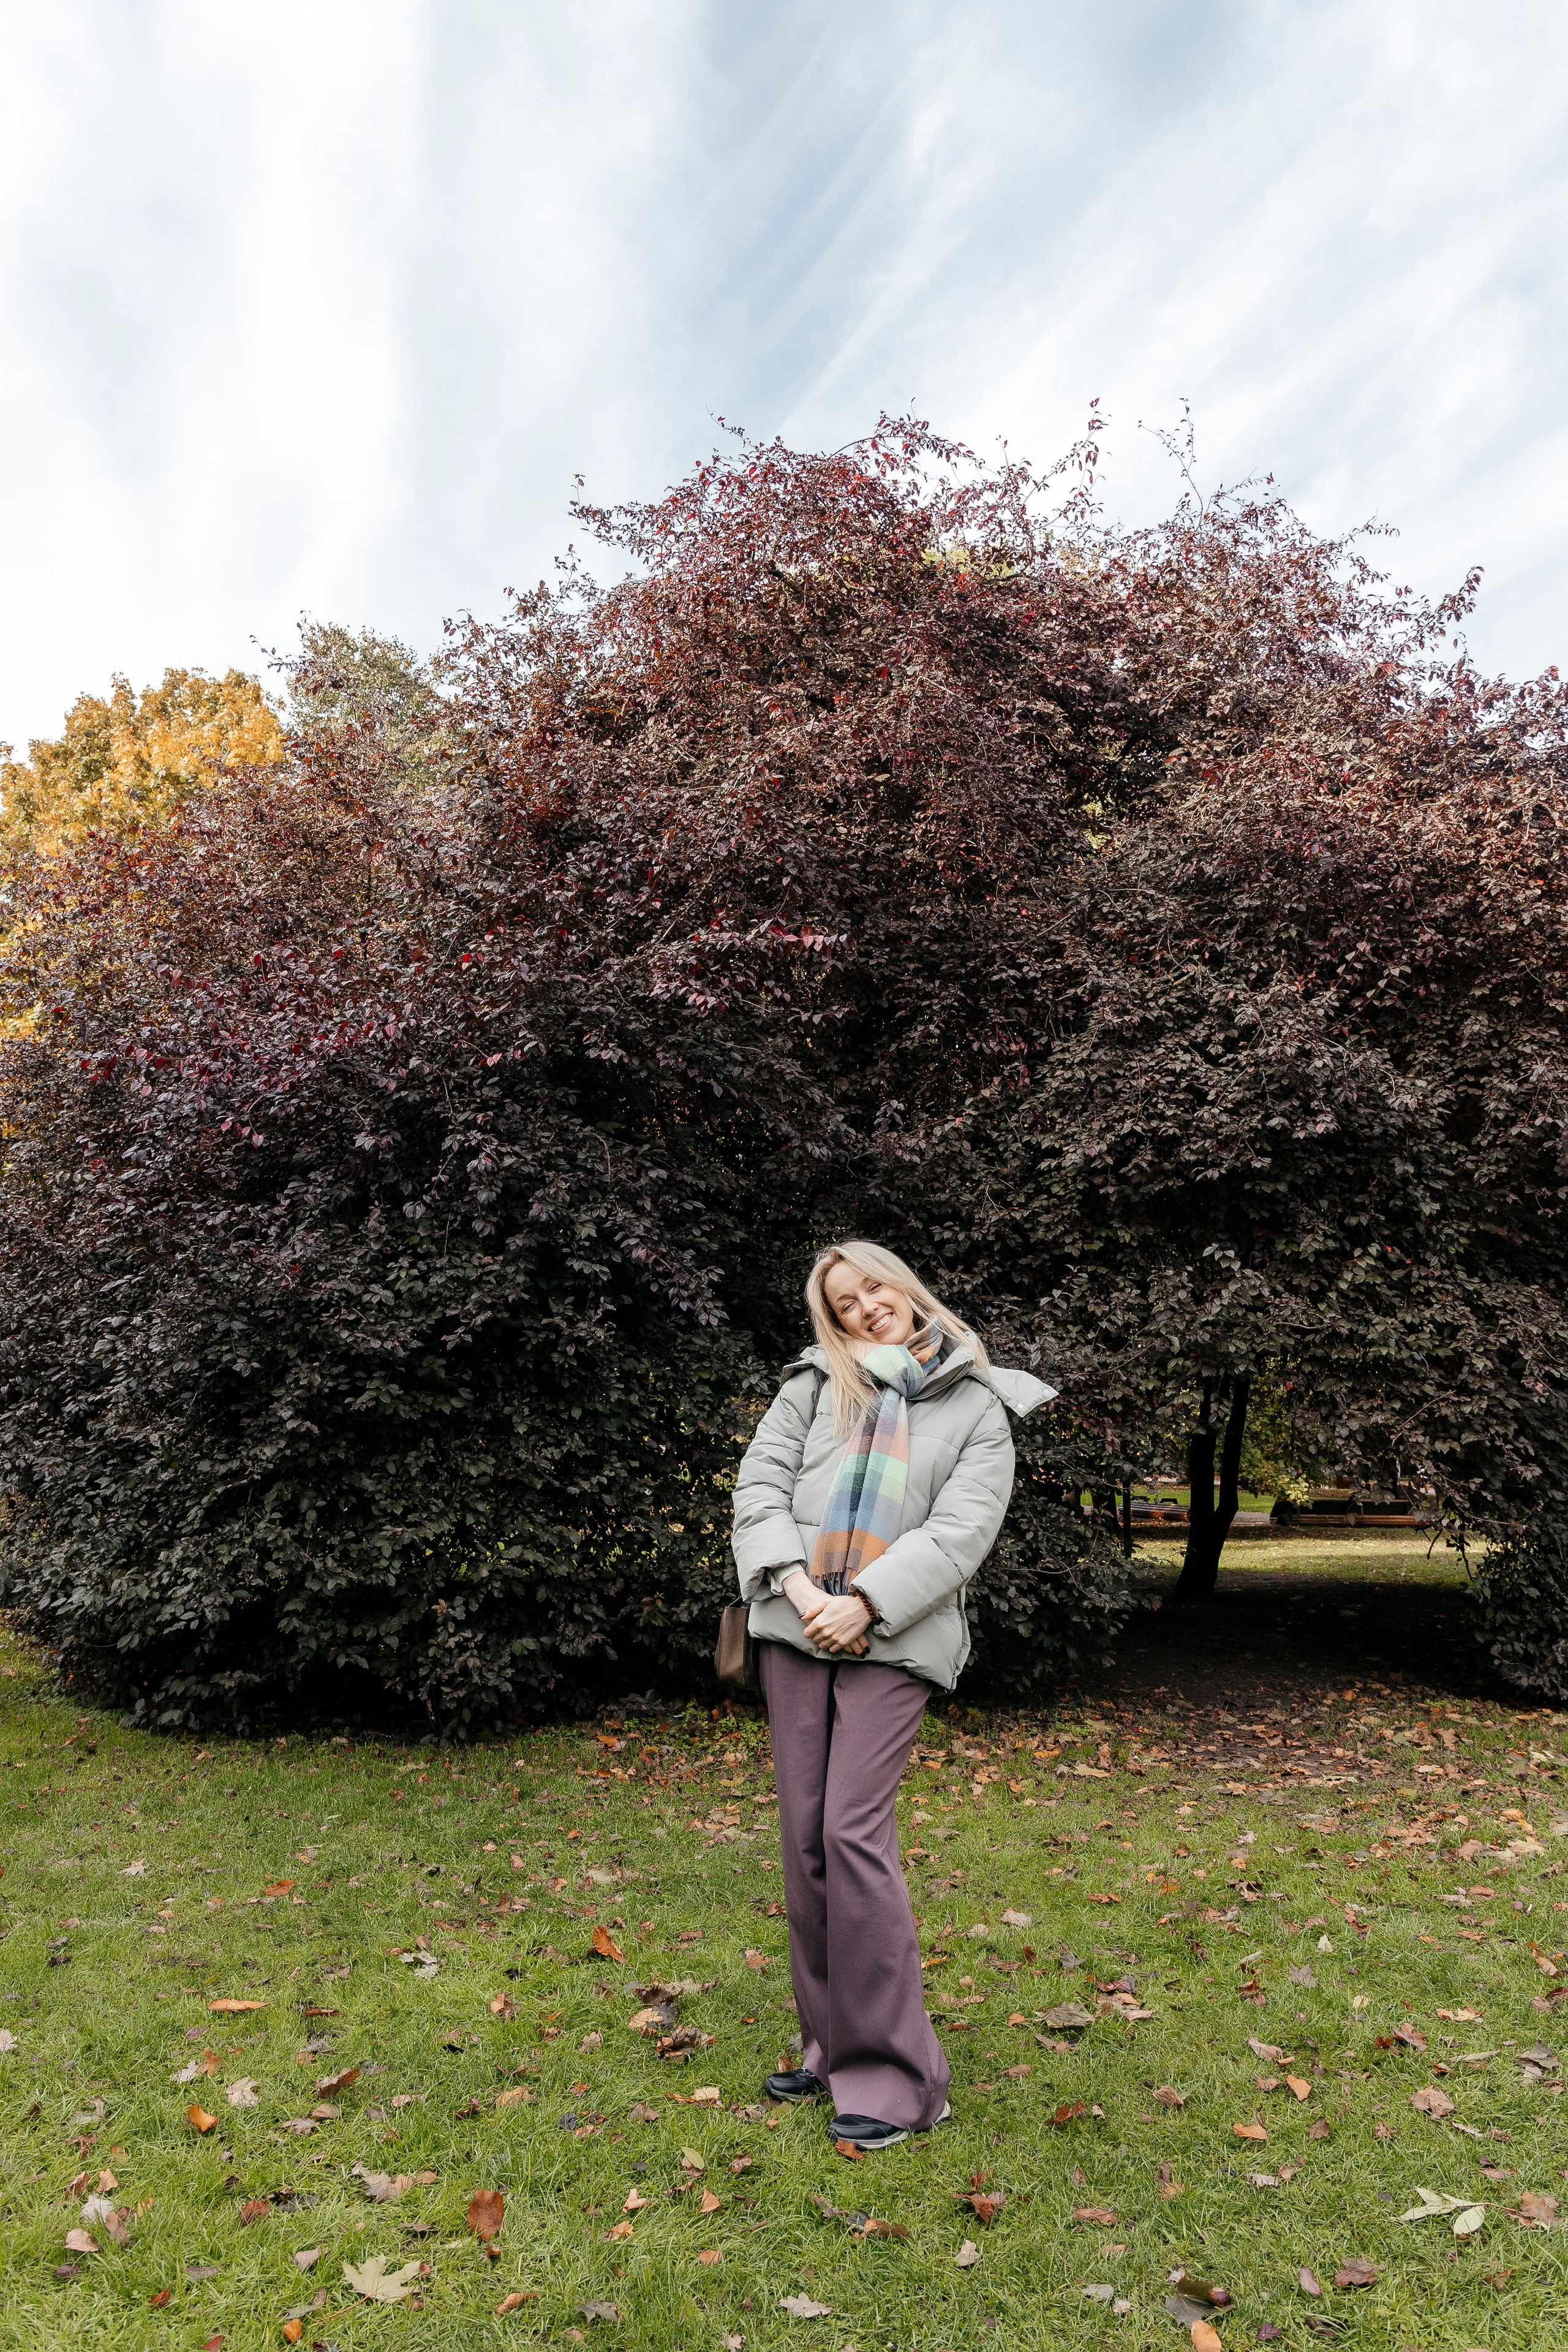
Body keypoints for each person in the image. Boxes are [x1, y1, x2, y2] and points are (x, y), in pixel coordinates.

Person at [730, 1238, 1057, 2150]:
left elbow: (961, 1532)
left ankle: (900, 2081)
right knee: (803, 1842)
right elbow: (758, 1493)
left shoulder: (980, 1405)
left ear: (905, 1288)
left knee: (850, 1833)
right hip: (797, 1629)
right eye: (842, 1303)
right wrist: (802, 1596)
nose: (864, 1307)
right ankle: (830, 2047)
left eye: (872, 1287)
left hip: (895, 1638)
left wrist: (866, 1604)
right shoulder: (810, 1389)